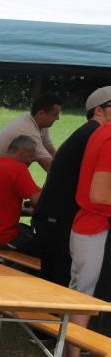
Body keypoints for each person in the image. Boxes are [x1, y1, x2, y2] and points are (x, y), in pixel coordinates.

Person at [34, 87, 111, 287]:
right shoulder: (98, 134)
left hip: (58, 217)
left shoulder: (88, 133)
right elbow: (99, 191)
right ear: (98, 110)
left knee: (59, 283)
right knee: (62, 284)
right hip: (62, 218)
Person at [62, 100, 111, 357]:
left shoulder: (101, 132)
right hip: (94, 225)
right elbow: (99, 193)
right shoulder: (108, 137)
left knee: (79, 295)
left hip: (89, 225)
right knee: (83, 298)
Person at [0, 93, 60, 218]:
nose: (58, 118)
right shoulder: (28, 131)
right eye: (54, 114)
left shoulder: (38, 123)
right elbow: (49, 167)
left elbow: (49, 147)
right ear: (41, 113)